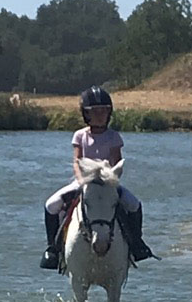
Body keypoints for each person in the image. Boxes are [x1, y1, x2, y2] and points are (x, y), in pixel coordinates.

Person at [39, 86, 154, 269]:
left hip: (108, 183)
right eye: (95, 112)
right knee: (51, 205)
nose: (100, 115)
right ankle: (53, 249)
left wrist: (112, 178)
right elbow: (77, 161)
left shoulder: (114, 137)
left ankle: (137, 244)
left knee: (134, 205)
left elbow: (117, 162)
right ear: (86, 114)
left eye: (104, 111)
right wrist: (81, 181)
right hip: (83, 182)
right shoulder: (80, 135)